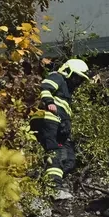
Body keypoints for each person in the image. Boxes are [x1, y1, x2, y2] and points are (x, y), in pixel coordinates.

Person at [29, 58, 89, 189]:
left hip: (59, 126)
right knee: (55, 152)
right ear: (68, 72)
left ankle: (44, 174)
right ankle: (53, 186)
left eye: (80, 79)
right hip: (48, 119)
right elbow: (45, 87)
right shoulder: (57, 77)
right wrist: (49, 102)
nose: (77, 82)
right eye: (76, 78)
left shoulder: (67, 91)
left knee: (69, 158)